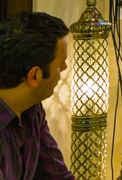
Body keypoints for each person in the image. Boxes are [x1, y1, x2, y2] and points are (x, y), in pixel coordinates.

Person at [0, 12, 75, 180]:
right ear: (34, 76)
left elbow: (56, 174)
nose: (64, 68)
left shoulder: (32, 108)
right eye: (60, 64)